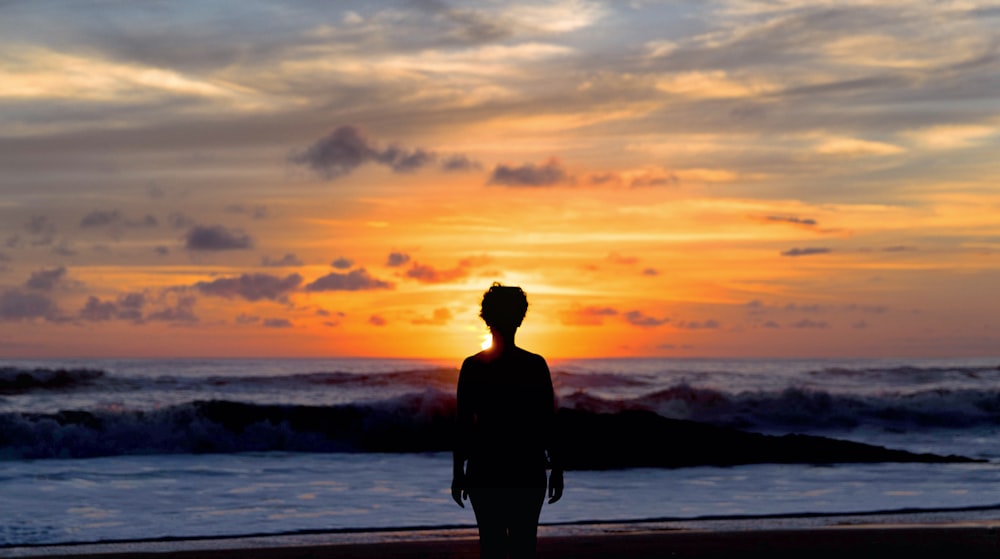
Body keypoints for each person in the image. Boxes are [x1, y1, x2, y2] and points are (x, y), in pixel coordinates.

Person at [452, 283, 563, 559]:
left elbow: (463, 423)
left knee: (492, 546)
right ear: (520, 318)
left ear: (486, 318)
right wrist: (557, 468)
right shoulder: (535, 365)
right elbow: (548, 420)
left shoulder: (473, 366)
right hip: (526, 466)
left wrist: (458, 473)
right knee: (524, 545)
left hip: (486, 467)